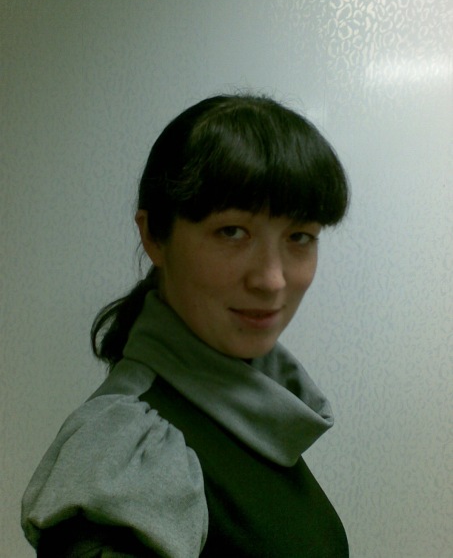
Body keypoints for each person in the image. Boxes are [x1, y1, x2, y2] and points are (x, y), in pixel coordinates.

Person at [21, 94, 350, 557]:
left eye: (299, 237)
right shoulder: (132, 452)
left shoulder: (247, 407)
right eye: (232, 232)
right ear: (154, 236)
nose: (272, 279)